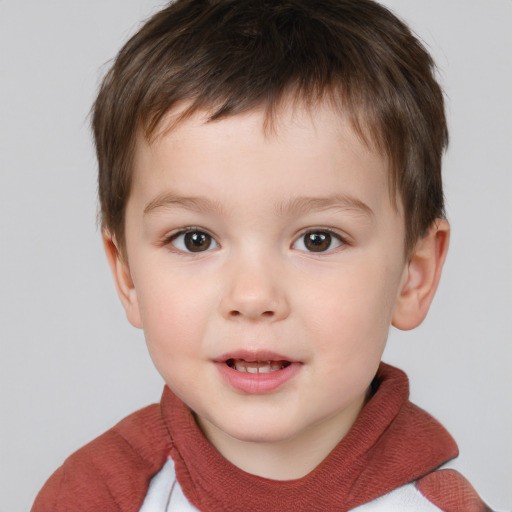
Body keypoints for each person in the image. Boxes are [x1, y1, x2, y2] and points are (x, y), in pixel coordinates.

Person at [31, 0, 493, 510]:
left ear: (414, 276)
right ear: (127, 276)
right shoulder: (95, 496)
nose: (253, 297)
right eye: (195, 239)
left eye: (318, 239)